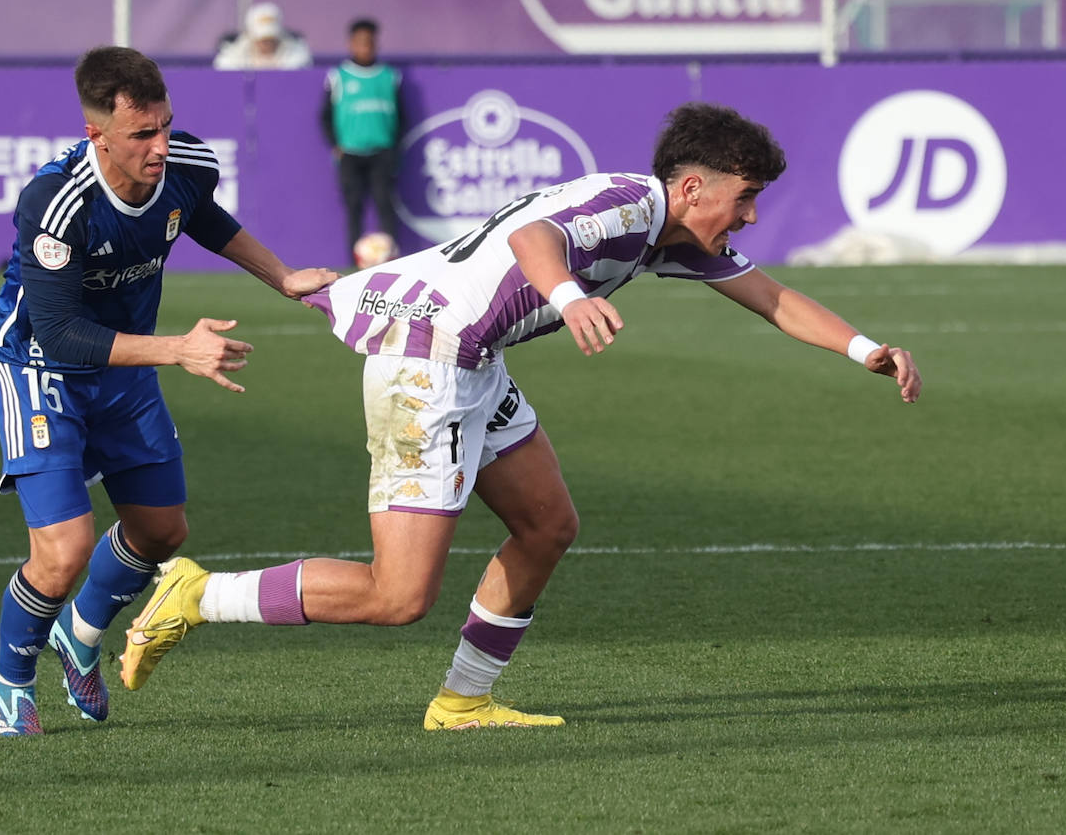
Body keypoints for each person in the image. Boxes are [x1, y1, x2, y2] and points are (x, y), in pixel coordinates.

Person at [120, 102, 922, 730]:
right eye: (743, 199)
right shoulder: (631, 204)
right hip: (426, 360)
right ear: (691, 188)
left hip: (472, 358)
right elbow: (537, 237)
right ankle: (196, 595)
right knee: (397, 596)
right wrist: (570, 298)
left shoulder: (665, 232)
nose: (748, 217)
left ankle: (463, 702)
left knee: (547, 524)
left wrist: (866, 350)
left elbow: (772, 297)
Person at [0, 46, 335, 737]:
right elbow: (59, 336)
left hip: (128, 367)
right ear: (97, 135)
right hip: (37, 371)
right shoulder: (56, 202)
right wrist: (178, 350)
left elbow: (200, 213)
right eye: (143, 134)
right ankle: (9, 683)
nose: (161, 146)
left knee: (162, 530)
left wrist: (282, 275)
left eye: (166, 125)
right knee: (62, 551)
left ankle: (80, 634)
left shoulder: (188, 164)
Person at [319, 17, 402, 259]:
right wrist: (336, 145)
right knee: (353, 207)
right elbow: (325, 115)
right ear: (351, 44)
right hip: (351, 153)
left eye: (370, 42)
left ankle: (392, 260)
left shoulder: (389, 76)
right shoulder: (339, 76)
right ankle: (355, 261)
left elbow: (402, 115)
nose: (365, 47)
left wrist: (393, 146)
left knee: (385, 205)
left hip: (381, 152)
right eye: (360, 42)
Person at [213, 2, 312, 71]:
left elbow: (300, 66)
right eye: (261, 39)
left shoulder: (295, 52)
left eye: (271, 39)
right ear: (249, 35)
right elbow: (224, 67)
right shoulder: (235, 52)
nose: (266, 43)